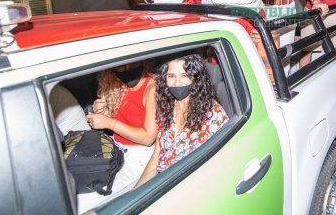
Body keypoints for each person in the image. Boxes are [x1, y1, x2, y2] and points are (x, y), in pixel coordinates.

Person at [134, 54, 228, 188]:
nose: (177, 83)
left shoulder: (213, 115)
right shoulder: (167, 105)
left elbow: (220, 164)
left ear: (196, 78)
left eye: (184, 75)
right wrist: (137, 189)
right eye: (171, 76)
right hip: (161, 181)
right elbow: (158, 155)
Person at [78, 61, 157, 212]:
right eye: (121, 66)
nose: (127, 70)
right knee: (77, 191)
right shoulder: (117, 84)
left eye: (132, 64)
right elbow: (122, 118)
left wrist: (109, 122)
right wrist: (102, 112)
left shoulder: (152, 87)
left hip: (138, 160)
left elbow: (148, 138)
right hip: (115, 151)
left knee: (87, 202)